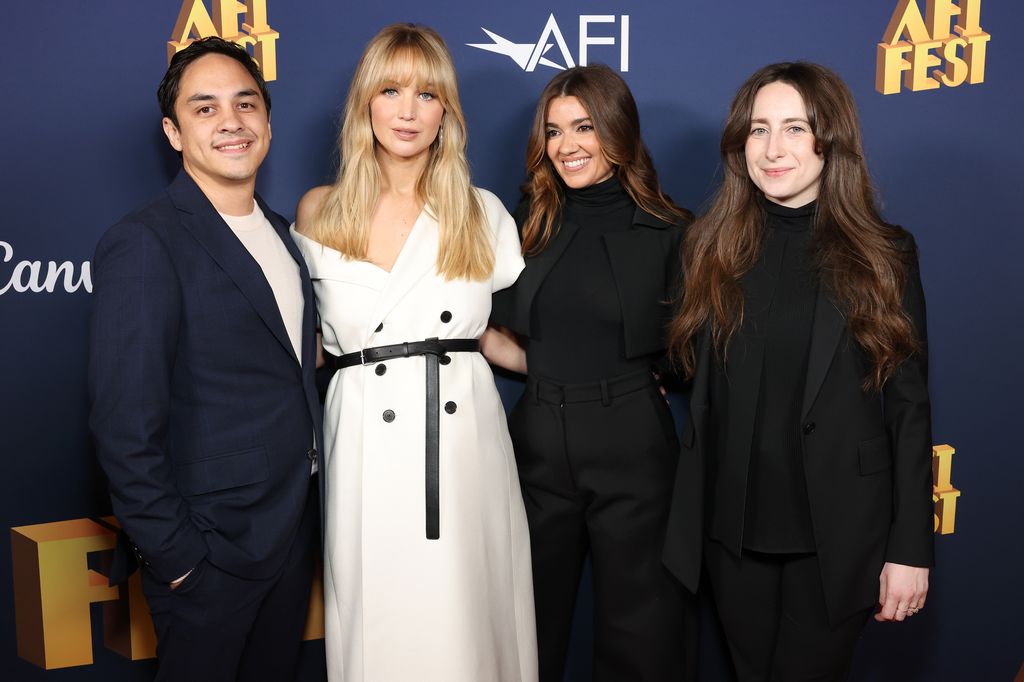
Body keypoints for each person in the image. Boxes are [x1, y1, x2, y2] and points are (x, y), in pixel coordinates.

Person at [662, 62, 934, 681]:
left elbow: (910, 407)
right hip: (731, 534)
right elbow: (684, 367)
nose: (774, 148)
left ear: (830, 139)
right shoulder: (708, 247)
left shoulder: (885, 255)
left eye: (794, 127)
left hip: (838, 536)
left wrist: (910, 549)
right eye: (758, 130)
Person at [291, 24, 537, 682]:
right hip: (362, 442)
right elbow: (303, 347)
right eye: (391, 90)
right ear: (364, 103)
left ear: (447, 113)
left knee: (466, 616)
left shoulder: (481, 214)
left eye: (428, 95)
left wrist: (604, 376)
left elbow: (493, 337)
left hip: (460, 445)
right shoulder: (318, 212)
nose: (407, 111)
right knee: (377, 616)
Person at [88, 37, 323, 681]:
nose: (231, 122)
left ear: (267, 121)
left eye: (246, 104)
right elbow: (124, 425)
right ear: (173, 132)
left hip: (290, 537)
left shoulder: (283, 234)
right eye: (205, 108)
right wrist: (180, 560)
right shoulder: (144, 243)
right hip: (209, 555)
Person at [486, 64, 696, 681]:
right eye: (553, 132)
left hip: (632, 445)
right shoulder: (531, 220)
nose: (567, 146)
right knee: (528, 626)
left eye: (584, 127)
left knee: (641, 632)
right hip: (538, 440)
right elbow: (497, 334)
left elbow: (690, 353)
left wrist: (638, 379)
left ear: (618, 130)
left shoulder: (671, 232)